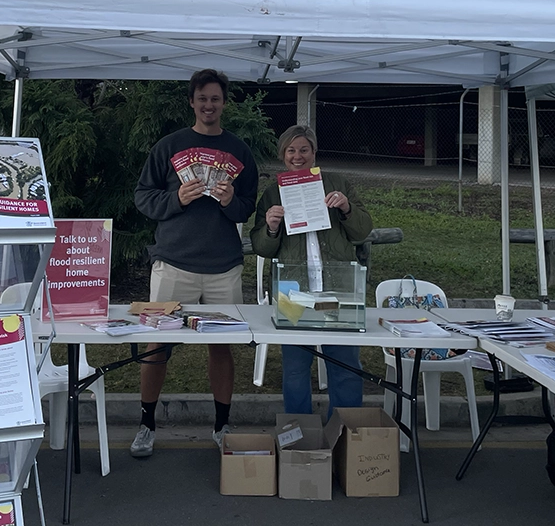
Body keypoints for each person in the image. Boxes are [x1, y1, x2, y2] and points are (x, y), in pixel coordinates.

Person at [131, 69, 259, 458]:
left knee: (222, 347)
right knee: (158, 345)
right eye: (202, 98)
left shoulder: (239, 150)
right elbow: (143, 196)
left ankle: (222, 425)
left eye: (215, 99)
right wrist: (177, 200)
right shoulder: (169, 146)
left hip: (224, 266)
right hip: (173, 264)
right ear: (192, 101)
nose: (208, 105)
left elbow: (247, 205)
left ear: (224, 103)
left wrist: (228, 202)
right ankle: (146, 423)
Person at [250, 124, 373, 417]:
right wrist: (270, 227)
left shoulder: (337, 183)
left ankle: (343, 434)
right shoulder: (272, 193)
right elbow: (262, 248)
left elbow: (362, 232)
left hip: (338, 286)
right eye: (291, 150)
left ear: (314, 153)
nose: (298, 156)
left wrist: (346, 209)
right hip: (292, 291)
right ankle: (300, 436)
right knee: (295, 369)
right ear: (283, 155)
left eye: (304, 149)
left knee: (344, 366)